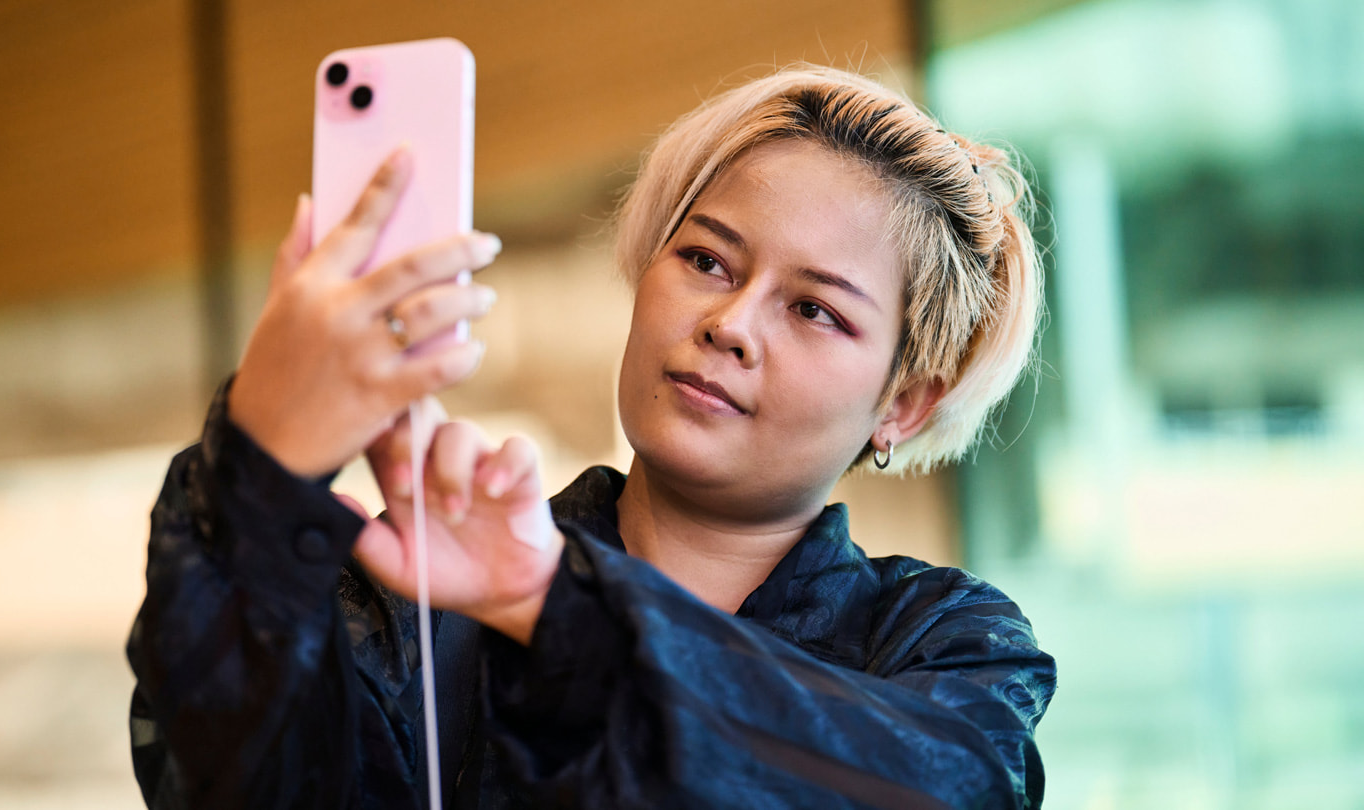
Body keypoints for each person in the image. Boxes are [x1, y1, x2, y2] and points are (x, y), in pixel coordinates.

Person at [128, 64, 1056, 809]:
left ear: (903, 405)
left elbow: (941, 788)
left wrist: (554, 602)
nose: (730, 321)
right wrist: (262, 459)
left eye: (813, 309)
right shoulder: (406, 607)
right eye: (704, 259)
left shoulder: (947, 647)